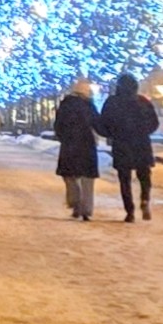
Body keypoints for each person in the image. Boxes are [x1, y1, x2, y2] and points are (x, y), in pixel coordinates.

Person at [98, 72, 160, 222]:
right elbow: (154, 123)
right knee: (144, 176)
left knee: (124, 179)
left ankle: (130, 211)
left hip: (121, 144)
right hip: (141, 144)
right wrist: (143, 131)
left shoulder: (112, 102)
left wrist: (112, 133)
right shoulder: (143, 102)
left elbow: (103, 124)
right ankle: (145, 199)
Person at [53, 79, 102, 221]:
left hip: (69, 144)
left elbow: (58, 125)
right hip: (87, 144)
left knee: (69, 175)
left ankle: (75, 202)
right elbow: (98, 124)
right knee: (87, 178)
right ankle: (86, 209)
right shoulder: (89, 106)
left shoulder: (65, 105)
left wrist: (63, 137)